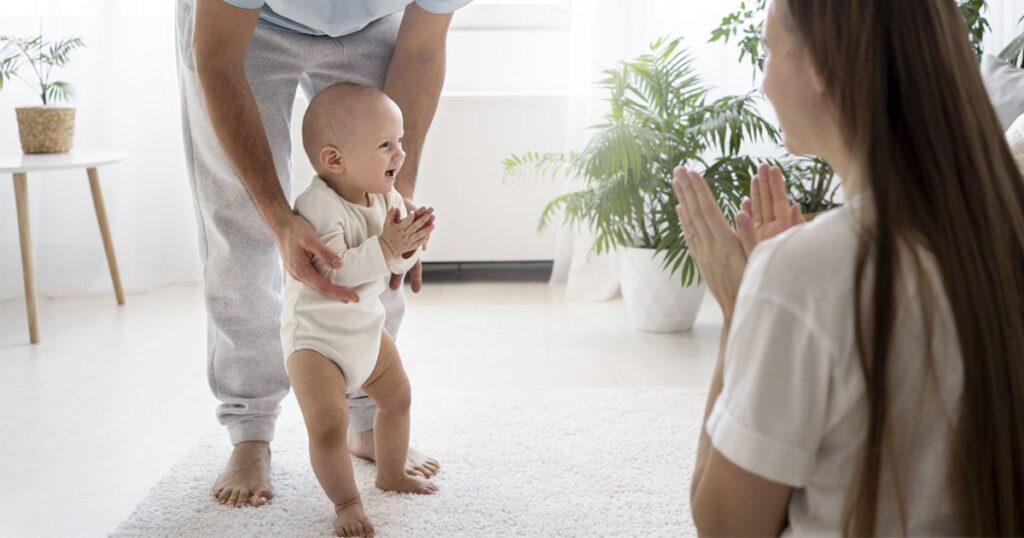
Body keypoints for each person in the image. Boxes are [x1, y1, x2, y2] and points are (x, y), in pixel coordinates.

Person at [675, 0, 1024, 535]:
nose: (764, 83)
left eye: (769, 51)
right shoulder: (1002, 229)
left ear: (821, 64)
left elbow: (724, 527)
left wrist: (738, 314)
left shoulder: (806, 274)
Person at [174, 0, 469, 508]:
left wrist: (393, 205)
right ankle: (250, 430)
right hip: (244, 27)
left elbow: (421, 49)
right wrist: (277, 216)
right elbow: (219, 57)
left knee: (376, 218)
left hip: (374, 25)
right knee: (242, 226)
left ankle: (366, 417)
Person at [283, 83, 435, 538]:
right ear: (334, 160)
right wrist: (388, 246)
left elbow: (391, 263)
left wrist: (410, 243)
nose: (401, 155)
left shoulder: (384, 197)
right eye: (386, 145)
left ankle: (390, 473)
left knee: (399, 398)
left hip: (366, 330)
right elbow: (337, 272)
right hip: (316, 343)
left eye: (401, 141)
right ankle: (347, 502)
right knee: (330, 427)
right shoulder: (316, 208)